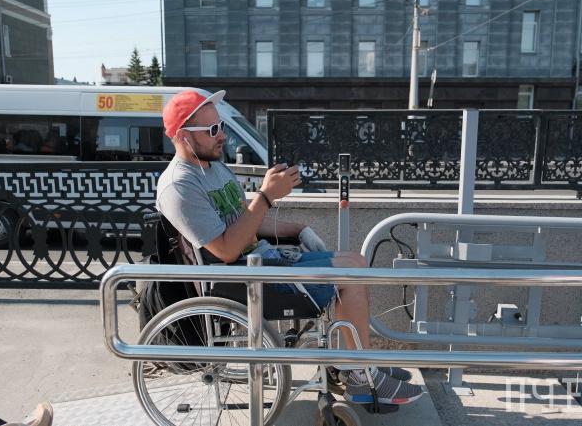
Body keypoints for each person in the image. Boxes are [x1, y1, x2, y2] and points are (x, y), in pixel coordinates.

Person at [155, 89, 423, 405]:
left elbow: (247, 220)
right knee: (350, 276)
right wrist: (266, 196)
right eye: (212, 130)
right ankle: (360, 375)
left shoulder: (213, 167)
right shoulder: (180, 186)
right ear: (184, 136)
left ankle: (354, 362)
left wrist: (299, 229)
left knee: (357, 261)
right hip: (241, 279)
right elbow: (226, 250)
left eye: (221, 126)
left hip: (262, 263)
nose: (222, 136)